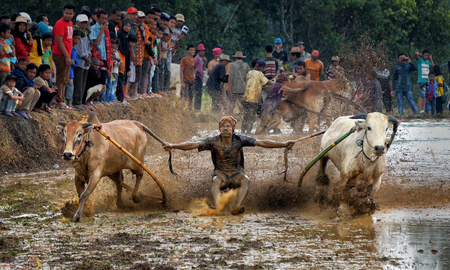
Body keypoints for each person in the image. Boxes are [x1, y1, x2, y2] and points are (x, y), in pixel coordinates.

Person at [163, 116, 296, 215]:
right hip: (221, 175)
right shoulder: (213, 141)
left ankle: (238, 206)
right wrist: (173, 146)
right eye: (223, 126)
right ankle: (217, 207)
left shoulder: (240, 139)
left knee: (246, 180)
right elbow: (193, 145)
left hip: (236, 175)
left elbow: (262, 143)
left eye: (228, 126)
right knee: (216, 181)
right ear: (219, 129)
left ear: (233, 129)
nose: (225, 128)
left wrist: (284, 144)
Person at [52, 4, 76, 110]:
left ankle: (62, 99)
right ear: (63, 12)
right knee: (61, 78)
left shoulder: (70, 23)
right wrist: (67, 56)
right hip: (60, 54)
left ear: (74, 14)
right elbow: (59, 41)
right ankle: (59, 100)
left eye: (70, 13)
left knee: (66, 79)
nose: (68, 15)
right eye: (66, 13)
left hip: (67, 54)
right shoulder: (60, 23)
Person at [241, 60, 274, 134]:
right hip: (253, 99)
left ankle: (242, 132)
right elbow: (267, 82)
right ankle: (248, 134)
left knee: (246, 116)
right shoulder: (260, 73)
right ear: (262, 67)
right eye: (264, 68)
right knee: (251, 119)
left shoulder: (249, 73)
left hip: (245, 98)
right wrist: (275, 84)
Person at [73, 14, 91, 107]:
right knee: (78, 82)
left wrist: (89, 57)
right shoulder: (76, 33)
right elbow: (79, 49)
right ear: (77, 23)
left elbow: (88, 47)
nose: (84, 24)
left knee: (83, 82)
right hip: (79, 61)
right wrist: (86, 58)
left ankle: (81, 101)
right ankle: (76, 102)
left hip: (86, 62)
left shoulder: (86, 34)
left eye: (85, 22)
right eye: (82, 22)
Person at [65, 31, 80, 107]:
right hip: (67, 70)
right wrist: (72, 61)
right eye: (76, 38)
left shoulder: (74, 49)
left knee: (70, 86)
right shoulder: (69, 48)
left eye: (78, 39)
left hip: (71, 71)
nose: (77, 40)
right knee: (66, 86)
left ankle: (69, 102)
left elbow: (77, 59)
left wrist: (74, 61)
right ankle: (66, 102)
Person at [180, 45, 197, 110]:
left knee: (191, 97)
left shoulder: (194, 60)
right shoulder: (184, 59)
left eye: (193, 50)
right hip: (186, 80)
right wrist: (182, 82)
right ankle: (180, 110)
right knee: (185, 96)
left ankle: (189, 111)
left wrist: (194, 74)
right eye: (191, 50)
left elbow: (195, 68)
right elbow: (181, 71)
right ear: (188, 51)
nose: (192, 51)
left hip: (192, 80)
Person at [158, 29, 171, 93]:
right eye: (167, 36)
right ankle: (161, 88)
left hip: (165, 58)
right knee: (162, 73)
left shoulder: (167, 43)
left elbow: (168, 53)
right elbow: (162, 49)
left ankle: (166, 88)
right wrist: (168, 48)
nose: (168, 38)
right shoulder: (160, 42)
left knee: (168, 72)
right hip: (162, 58)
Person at [194, 43, 206, 110]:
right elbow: (195, 68)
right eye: (201, 51)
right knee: (198, 93)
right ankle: (197, 108)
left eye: (203, 51)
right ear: (198, 52)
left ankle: (198, 108)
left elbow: (203, 68)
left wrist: (205, 62)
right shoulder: (197, 58)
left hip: (200, 77)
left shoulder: (202, 59)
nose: (203, 52)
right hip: (197, 77)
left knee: (200, 93)